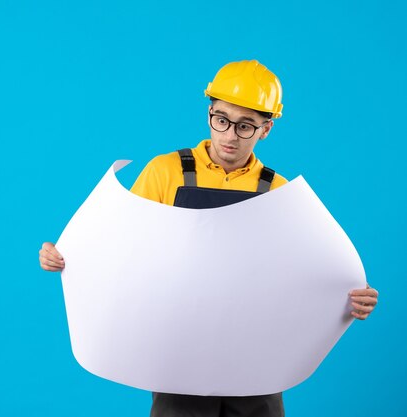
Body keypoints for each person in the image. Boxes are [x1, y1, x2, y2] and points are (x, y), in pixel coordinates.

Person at [39, 60, 379, 417]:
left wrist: (350, 295)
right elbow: (122, 247)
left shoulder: (280, 192)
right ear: (209, 114)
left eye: (246, 126)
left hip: (257, 359)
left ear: (266, 129)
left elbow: (307, 276)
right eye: (222, 120)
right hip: (179, 352)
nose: (230, 135)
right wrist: (67, 257)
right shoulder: (164, 172)